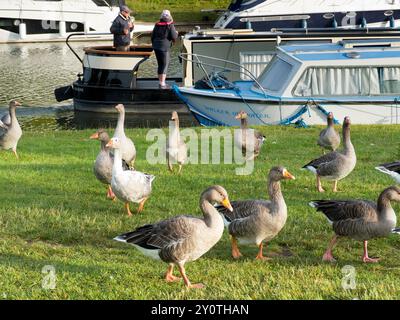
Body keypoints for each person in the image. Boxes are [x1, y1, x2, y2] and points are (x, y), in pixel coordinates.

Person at [151, 10, 178, 89]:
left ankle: (160, 82)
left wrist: (154, 44)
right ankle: (162, 84)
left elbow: (152, 37)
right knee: (165, 64)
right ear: (169, 16)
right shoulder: (170, 25)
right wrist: (176, 33)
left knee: (160, 64)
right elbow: (174, 37)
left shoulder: (157, 24)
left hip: (156, 47)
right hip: (164, 47)